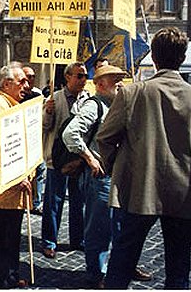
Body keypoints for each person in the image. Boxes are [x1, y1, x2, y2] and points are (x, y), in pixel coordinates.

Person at [97, 27, 191, 289]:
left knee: (122, 262)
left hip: (138, 190)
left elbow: (105, 137)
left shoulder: (132, 93)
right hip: (184, 192)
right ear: (183, 57)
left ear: (153, 57)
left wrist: (115, 167)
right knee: (179, 268)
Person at [62, 65, 152, 288]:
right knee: (99, 228)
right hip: (100, 177)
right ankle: (96, 274)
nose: (121, 84)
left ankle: (125, 266)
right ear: (101, 84)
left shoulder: (121, 104)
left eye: (122, 80)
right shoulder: (94, 106)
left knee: (123, 225)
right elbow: (70, 133)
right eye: (116, 80)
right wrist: (89, 158)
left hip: (122, 174)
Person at [0, 62, 32, 288]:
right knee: (2, 234)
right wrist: (16, 176)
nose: (27, 85)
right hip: (5, 184)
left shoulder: (11, 104)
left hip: (16, 182)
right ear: (6, 83)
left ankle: (10, 274)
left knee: (12, 234)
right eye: (22, 81)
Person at [41, 62, 90, 259]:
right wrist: (47, 112)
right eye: (79, 76)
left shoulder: (88, 100)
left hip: (79, 160)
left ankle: (78, 239)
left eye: (85, 76)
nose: (83, 80)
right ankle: (49, 242)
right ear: (68, 77)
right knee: (54, 202)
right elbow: (44, 127)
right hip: (57, 159)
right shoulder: (54, 98)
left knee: (79, 202)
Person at [22, 66, 46, 216]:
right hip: (21, 139)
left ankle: (36, 203)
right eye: (27, 76)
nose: (31, 79)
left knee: (40, 171)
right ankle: (24, 202)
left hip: (36, 138)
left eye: (32, 76)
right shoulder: (17, 95)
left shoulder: (38, 95)